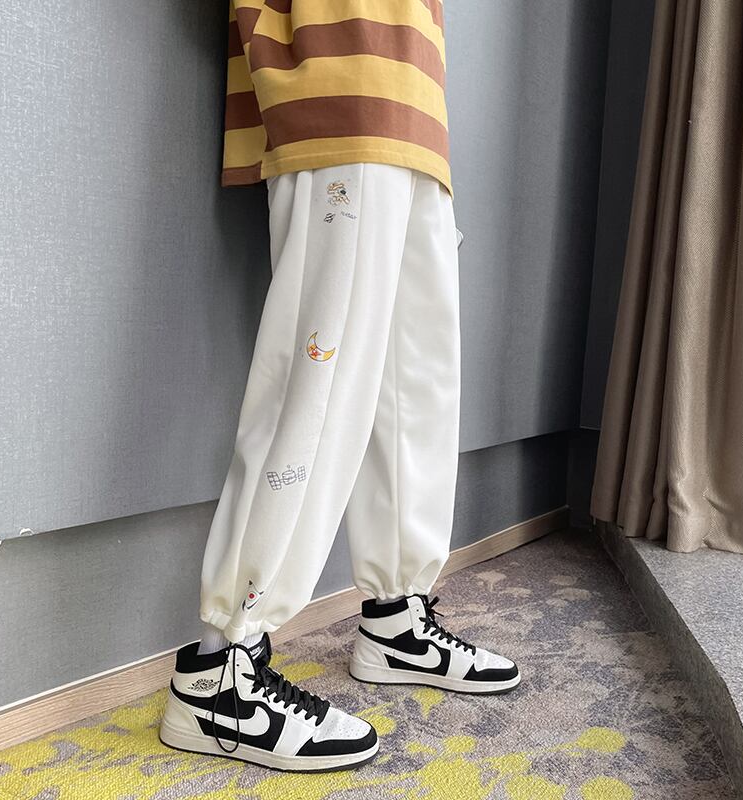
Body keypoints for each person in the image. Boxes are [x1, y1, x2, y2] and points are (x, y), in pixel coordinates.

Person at [159, 0, 519, 772]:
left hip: (412, 93)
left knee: (416, 382)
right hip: (337, 70)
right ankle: (219, 673)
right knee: (320, 386)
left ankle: (396, 621)